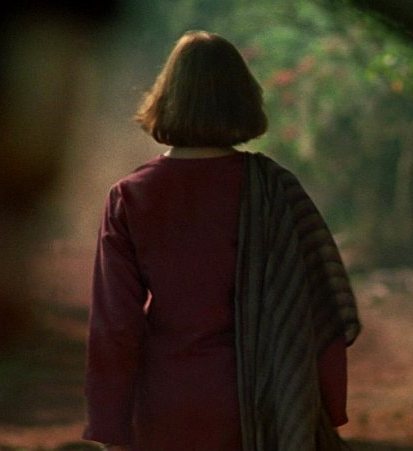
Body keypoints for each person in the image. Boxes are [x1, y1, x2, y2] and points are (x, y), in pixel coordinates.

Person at [83, 31, 361, 450]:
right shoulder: (276, 191)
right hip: (263, 403)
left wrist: (111, 427)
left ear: (166, 100)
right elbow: (321, 309)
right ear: (242, 100)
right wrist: (326, 407)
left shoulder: (131, 196)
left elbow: (115, 327)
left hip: (165, 404)